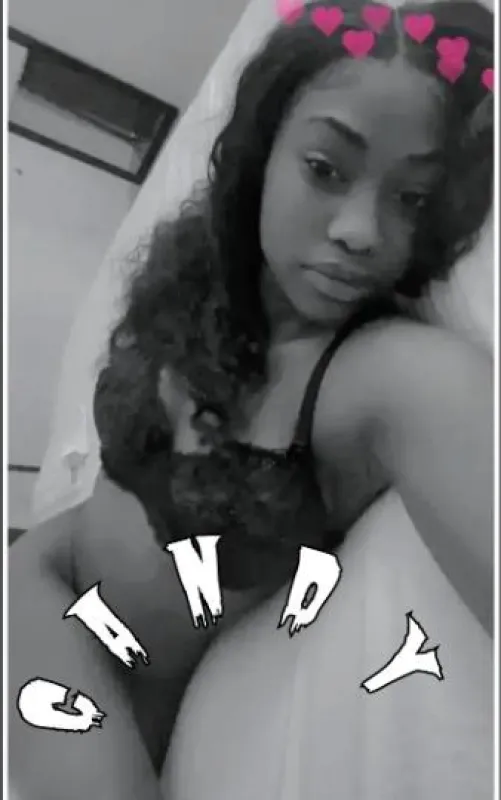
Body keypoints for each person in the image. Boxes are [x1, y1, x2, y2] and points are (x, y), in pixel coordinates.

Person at [9, 1, 494, 798]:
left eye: (410, 198)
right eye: (325, 169)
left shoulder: (385, 376)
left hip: (108, 683)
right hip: (33, 579)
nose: (361, 230)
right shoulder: (196, 269)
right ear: (264, 146)